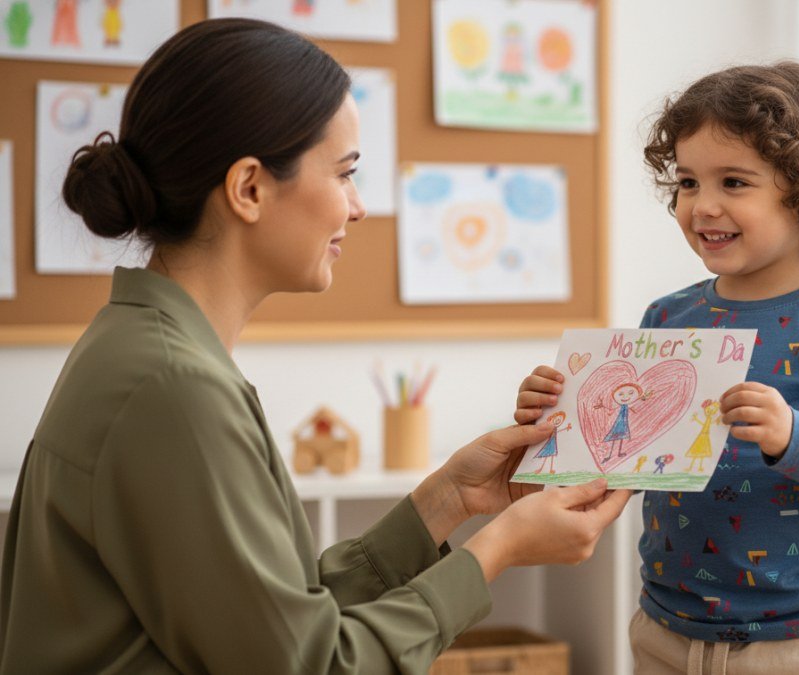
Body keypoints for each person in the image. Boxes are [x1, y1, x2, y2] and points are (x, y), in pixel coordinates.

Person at [0, 18, 631, 674]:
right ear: (249, 188)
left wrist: (450, 500)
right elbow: (310, 663)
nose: (357, 207)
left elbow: (265, 622)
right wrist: (497, 549)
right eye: (345, 173)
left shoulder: (142, 349)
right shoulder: (171, 387)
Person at [515, 62, 799, 674]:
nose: (702, 206)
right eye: (687, 182)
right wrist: (559, 418)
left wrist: (794, 438)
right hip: (665, 629)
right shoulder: (667, 316)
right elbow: (629, 452)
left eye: (733, 182)